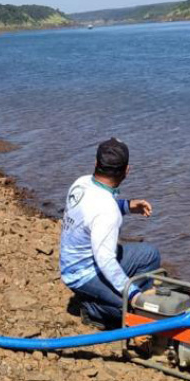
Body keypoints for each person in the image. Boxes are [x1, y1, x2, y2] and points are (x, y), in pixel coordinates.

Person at [59, 138, 160, 329]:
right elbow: (105, 259)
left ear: (96, 164)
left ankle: (139, 308)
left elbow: (94, 212)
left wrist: (128, 206)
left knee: (149, 254)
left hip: (70, 262)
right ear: (127, 171)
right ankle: (93, 309)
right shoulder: (107, 211)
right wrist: (133, 295)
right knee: (131, 311)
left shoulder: (81, 183)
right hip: (83, 274)